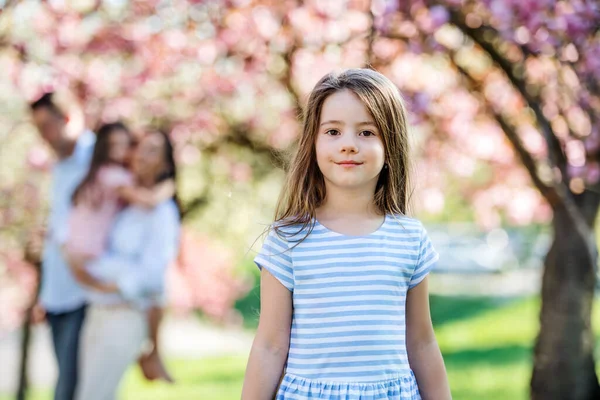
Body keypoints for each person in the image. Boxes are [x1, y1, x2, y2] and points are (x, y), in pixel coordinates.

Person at [242, 69, 451, 399]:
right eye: (333, 131)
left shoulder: (409, 238)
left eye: (367, 132)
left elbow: (422, 342)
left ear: (390, 143)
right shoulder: (289, 239)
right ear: (313, 141)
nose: (349, 145)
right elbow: (269, 346)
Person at [62, 122, 175, 383]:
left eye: (152, 150)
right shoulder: (123, 204)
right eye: (138, 147)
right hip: (98, 310)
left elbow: (152, 276)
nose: (139, 154)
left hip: (122, 313)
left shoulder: (160, 212)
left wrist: (104, 286)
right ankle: (155, 354)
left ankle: (155, 353)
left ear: (165, 165)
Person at [30, 91, 95, 400]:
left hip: (85, 292)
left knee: (69, 387)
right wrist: (44, 293)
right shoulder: (58, 167)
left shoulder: (96, 157)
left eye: (47, 125)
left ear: (67, 118)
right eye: (38, 128)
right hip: (57, 293)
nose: (44, 135)